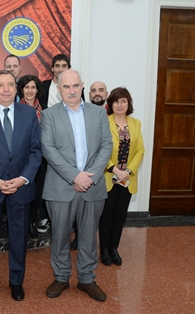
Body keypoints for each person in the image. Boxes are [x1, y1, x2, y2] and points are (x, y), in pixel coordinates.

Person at [40, 69, 112, 302]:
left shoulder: (98, 113)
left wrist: (89, 178)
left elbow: (106, 146)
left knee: (89, 236)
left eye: (75, 86)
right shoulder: (49, 115)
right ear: (59, 89)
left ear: (82, 86)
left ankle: (86, 278)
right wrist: (74, 176)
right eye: (66, 87)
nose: (71, 91)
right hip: (60, 187)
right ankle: (61, 277)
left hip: (93, 185)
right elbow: (48, 150)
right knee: (60, 235)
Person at [0, 70, 42, 302]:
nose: (5, 89)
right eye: (0, 85)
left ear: (16, 88)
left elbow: (35, 151)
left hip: (20, 187)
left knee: (18, 238)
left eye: (10, 84)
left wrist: (23, 179)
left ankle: (16, 281)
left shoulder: (29, 113)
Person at [99, 87, 144, 266]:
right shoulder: (104, 122)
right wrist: (114, 169)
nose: (120, 104)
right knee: (106, 216)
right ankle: (103, 250)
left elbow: (140, 150)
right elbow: (99, 150)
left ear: (128, 104)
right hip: (109, 177)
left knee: (119, 216)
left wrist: (129, 171)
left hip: (127, 178)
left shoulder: (136, 124)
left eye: (123, 101)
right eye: (116, 101)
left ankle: (113, 248)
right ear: (110, 104)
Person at [17, 75, 48, 240]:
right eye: (27, 87)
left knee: (37, 193)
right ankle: (21, 223)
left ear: (37, 90)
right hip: (21, 159)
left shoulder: (45, 111)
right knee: (22, 193)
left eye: (33, 87)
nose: (30, 90)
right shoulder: (15, 108)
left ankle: (32, 223)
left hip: (40, 158)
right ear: (21, 89)